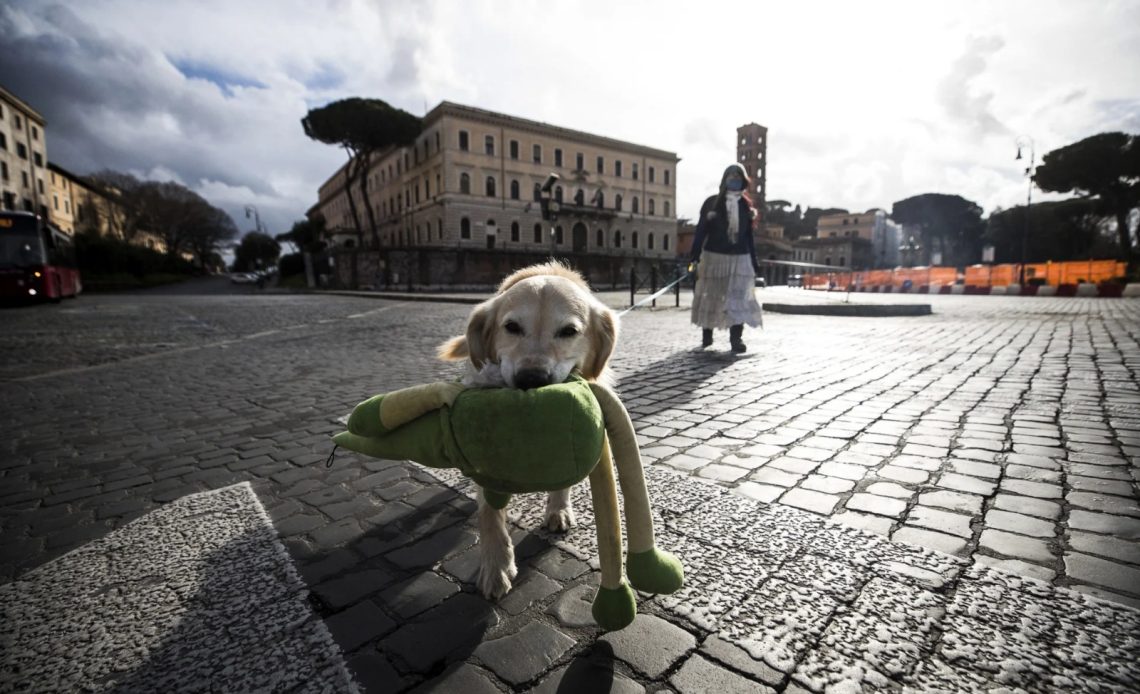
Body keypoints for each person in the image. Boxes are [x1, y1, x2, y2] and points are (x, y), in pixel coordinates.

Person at [688, 163, 764, 353]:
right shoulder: (711, 203)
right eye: (730, 176)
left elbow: (748, 237)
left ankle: (736, 339)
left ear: (743, 181)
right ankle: (707, 334)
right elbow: (700, 231)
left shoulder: (746, 206)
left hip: (741, 259)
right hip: (714, 257)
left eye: (738, 176)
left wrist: (754, 262)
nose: (734, 179)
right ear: (724, 180)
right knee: (711, 296)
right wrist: (694, 256)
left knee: (738, 300)